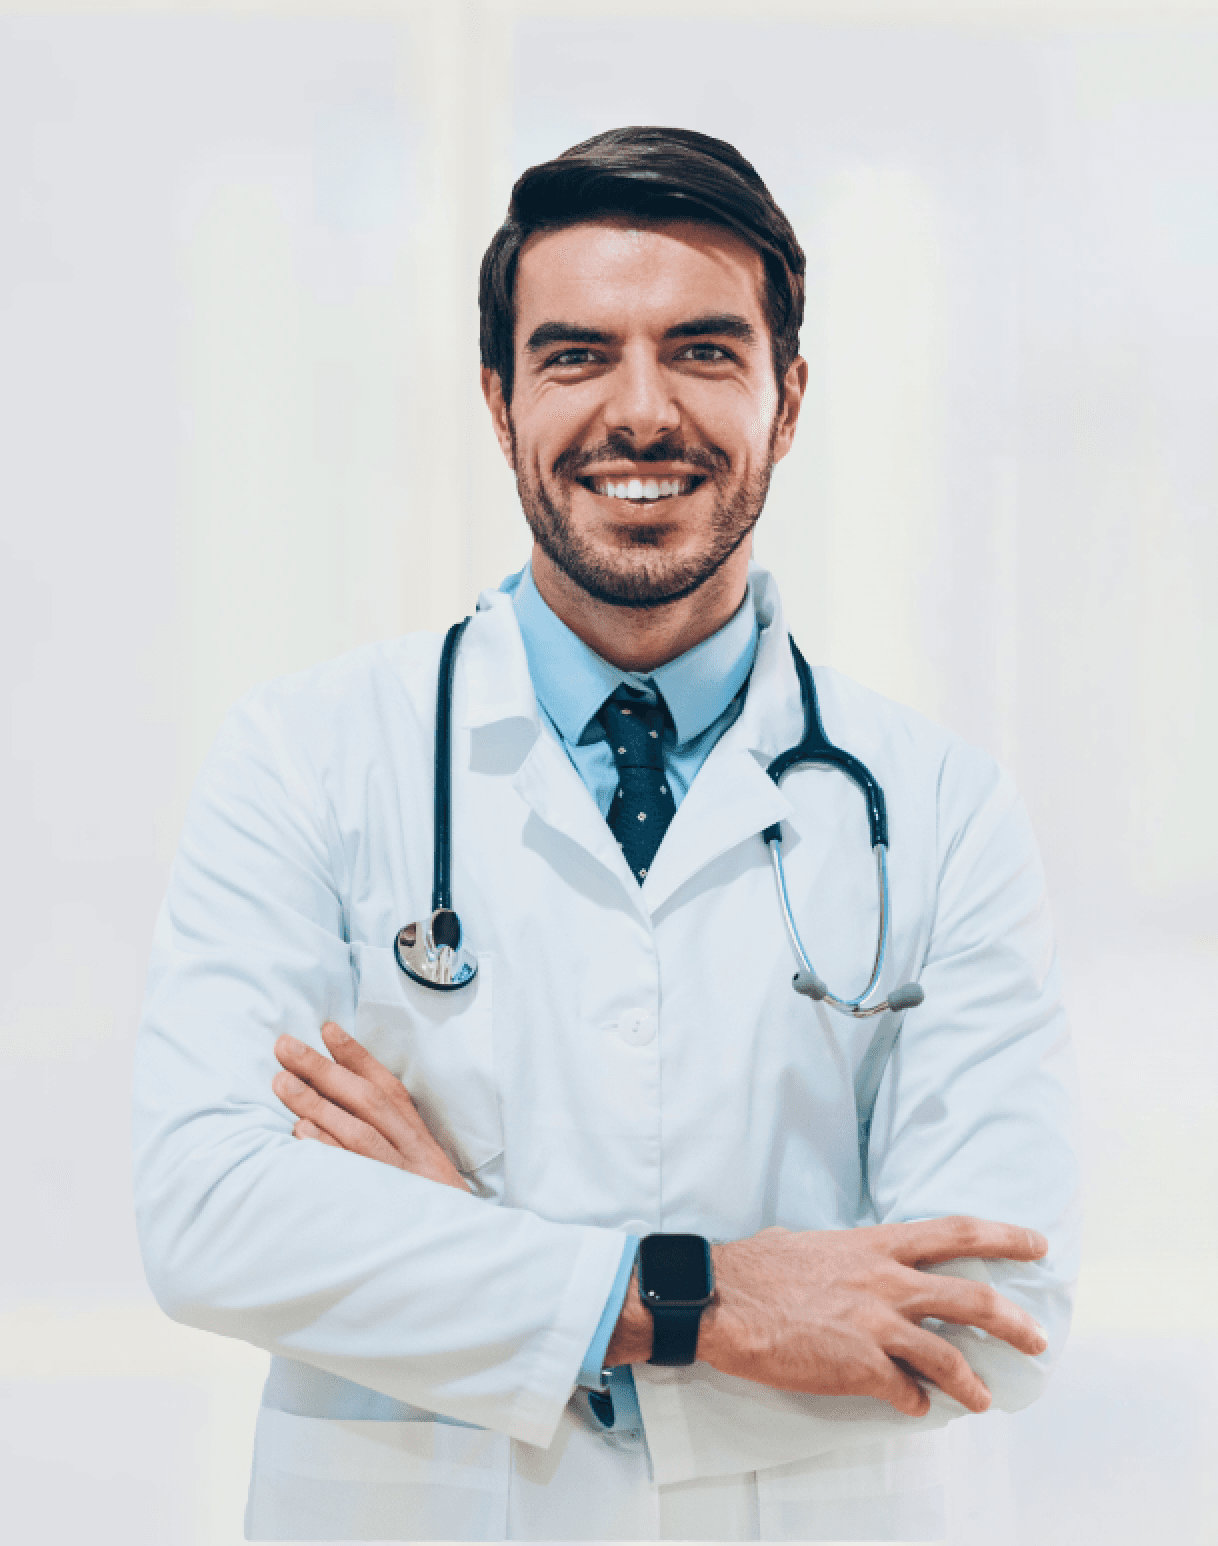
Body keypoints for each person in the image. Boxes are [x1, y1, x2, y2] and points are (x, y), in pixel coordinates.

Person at [132, 126, 1081, 1542]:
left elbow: (986, 1321)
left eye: (703, 351)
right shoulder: (306, 757)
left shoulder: (940, 806)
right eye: (576, 355)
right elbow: (210, 1218)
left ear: (789, 395)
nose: (641, 413)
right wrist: (708, 1300)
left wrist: (472, 1260)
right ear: (498, 399)